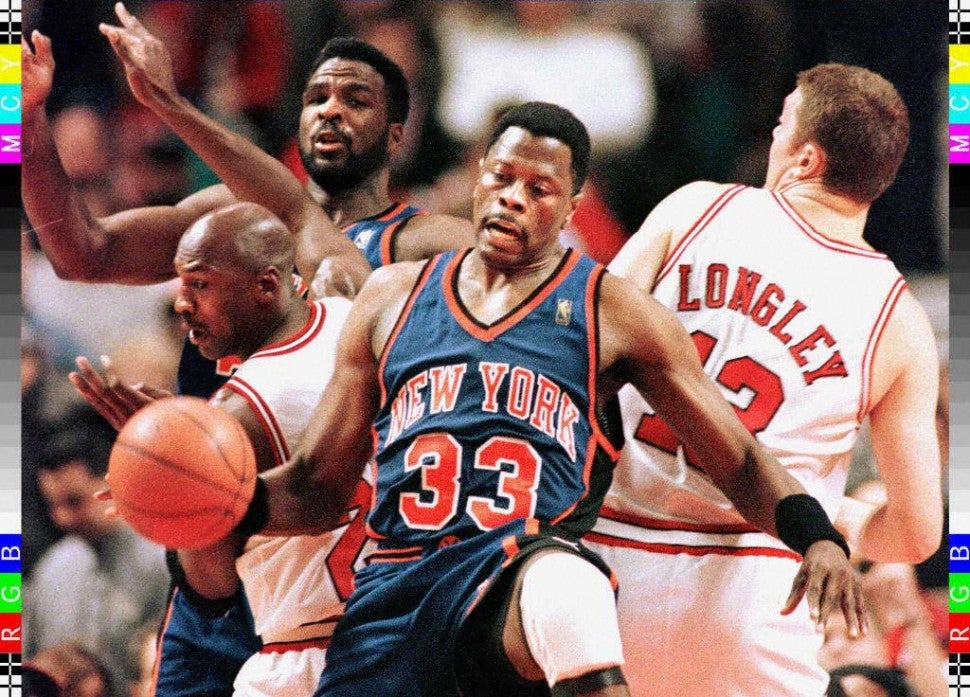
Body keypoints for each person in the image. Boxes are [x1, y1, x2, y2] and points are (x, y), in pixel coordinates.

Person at [229, 101, 864, 697]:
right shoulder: (390, 297)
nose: (513, 198)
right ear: (477, 175)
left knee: (567, 586)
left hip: (512, 583)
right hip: (395, 588)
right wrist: (220, 500)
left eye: (539, 189)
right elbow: (315, 484)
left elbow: (739, 458)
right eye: (503, 176)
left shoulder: (613, 311)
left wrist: (816, 535)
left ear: (571, 207)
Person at [23, 7, 473, 695]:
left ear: (396, 132)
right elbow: (81, 249)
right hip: (210, 554)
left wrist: (170, 102)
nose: (329, 112)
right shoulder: (224, 228)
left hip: (330, 573)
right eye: (315, 97)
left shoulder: (425, 244)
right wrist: (19, 121)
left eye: (355, 99)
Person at [582, 63, 944, 696]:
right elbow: (916, 535)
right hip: (756, 597)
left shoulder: (698, 207)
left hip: (608, 563)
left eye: (781, 125)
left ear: (804, 159)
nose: (773, 139)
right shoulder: (898, 317)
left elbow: (584, 352)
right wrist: (844, 519)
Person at [72, 202, 371, 697]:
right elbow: (298, 208)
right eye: (180, 285)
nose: (182, 303)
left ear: (266, 286)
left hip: (307, 654)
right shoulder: (351, 313)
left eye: (200, 284)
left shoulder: (240, 410)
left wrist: (174, 480)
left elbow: (214, 591)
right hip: (396, 627)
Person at [25, 429, 169, 696]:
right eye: (52, 505)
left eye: (74, 501)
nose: (63, 518)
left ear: (109, 486)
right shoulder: (51, 570)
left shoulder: (164, 557)